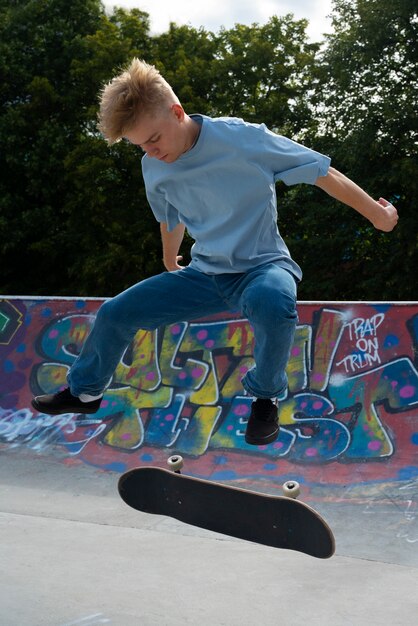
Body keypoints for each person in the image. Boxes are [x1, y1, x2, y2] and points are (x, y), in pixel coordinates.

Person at [32, 58, 398, 445]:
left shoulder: (243, 139)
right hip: (204, 276)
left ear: (177, 113)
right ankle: (85, 392)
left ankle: (264, 397)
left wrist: (378, 215)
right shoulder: (153, 166)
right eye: (140, 145)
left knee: (272, 303)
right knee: (115, 313)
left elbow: (322, 172)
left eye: (154, 139)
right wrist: (169, 258)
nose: (151, 152)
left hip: (262, 267)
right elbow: (170, 216)